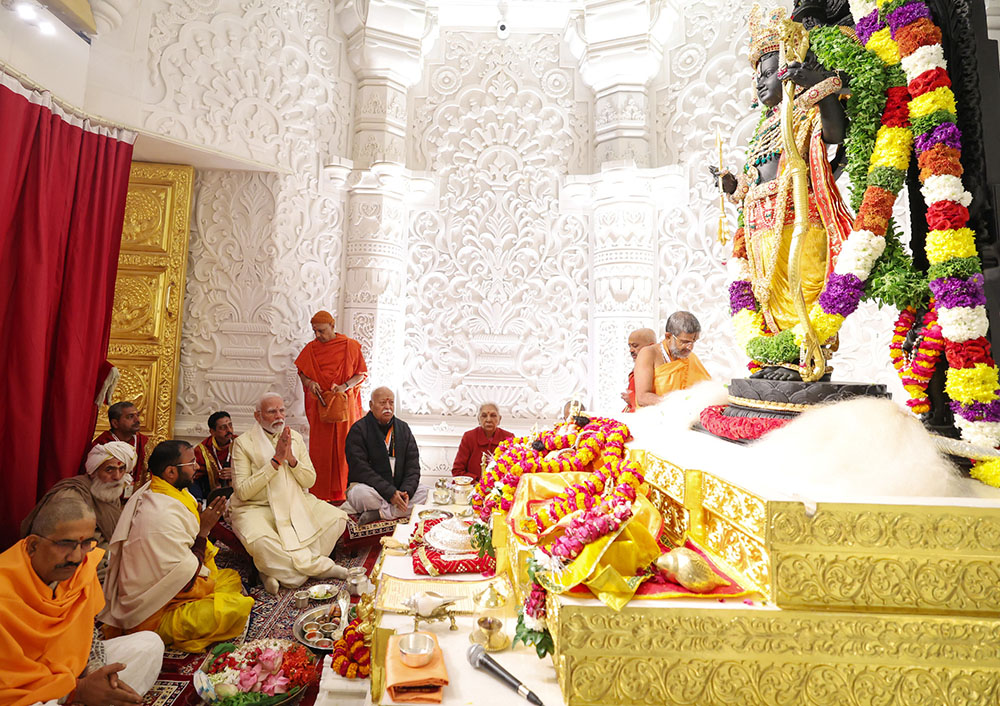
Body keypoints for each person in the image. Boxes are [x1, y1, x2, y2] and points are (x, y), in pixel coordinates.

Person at [710, 4, 852, 380]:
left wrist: (820, 89)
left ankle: (803, 360)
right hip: (759, 227)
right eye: (758, 75)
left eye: (770, 73)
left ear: (789, 72)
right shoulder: (763, 127)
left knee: (799, 290)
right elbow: (751, 180)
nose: (761, 82)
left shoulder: (804, 108)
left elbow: (835, 136)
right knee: (766, 296)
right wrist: (732, 185)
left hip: (798, 219)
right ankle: (774, 359)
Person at [1, 495, 163, 706]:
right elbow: (6, 682)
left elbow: (88, 633)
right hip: (24, 690)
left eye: (86, 543)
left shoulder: (80, 571)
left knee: (148, 645)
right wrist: (75, 692)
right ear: (33, 546)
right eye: (66, 544)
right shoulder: (5, 591)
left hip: (69, 671)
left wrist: (97, 671)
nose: (76, 557)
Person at [100, 440, 254, 652]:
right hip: (152, 610)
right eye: (191, 463)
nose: (197, 467)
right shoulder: (159, 515)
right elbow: (186, 581)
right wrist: (204, 530)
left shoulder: (170, 491)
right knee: (234, 610)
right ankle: (159, 633)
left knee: (230, 578)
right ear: (171, 472)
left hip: (174, 585)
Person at [230, 393, 350, 595]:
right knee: (261, 542)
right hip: (257, 507)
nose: (279, 415)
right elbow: (242, 492)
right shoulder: (243, 443)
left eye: (281, 410)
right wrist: (275, 461)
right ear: (257, 416)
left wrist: (292, 460)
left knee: (337, 518)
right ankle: (320, 568)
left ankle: (271, 572)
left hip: (296, 501)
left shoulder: (294, 437)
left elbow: (310, 480)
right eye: (271, 411)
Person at [20, 442, 138, 583]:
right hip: (71, 571)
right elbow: (62, 548)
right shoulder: (72, 496)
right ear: (94, 471)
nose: (117, 477)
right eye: (109, 470)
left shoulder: (108, 492)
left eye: (122, 469)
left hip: (104, 566)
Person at [295, 310, 368, 503]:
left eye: (321, 331)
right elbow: (302, 372)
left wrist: (344, 387)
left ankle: (346, 495)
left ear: (332, 326)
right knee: (320, 452)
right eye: (315, 331)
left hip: (343, 408)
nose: (318, 335)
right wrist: (310, 383)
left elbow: (360, 374)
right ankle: (320, 498)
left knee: (346, 451)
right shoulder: (311, 349)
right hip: (322, 408)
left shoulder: (350, 346)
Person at [346, 387, 427, 524]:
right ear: (371, 405)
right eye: (383, 403)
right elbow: (361, 470)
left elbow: (413, 467)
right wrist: (390, 493)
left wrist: (405, 493)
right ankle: (396, 511)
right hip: (373, 491)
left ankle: (380, 513)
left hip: (399, 489)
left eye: (391, 403)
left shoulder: (403, 429)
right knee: (360, 494)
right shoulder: (358, 430)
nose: (388, 407)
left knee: (428, 493)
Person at [634, 312, 712, 407]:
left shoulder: (691, 358)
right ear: (668, 336)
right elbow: (643, 397)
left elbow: (707, 390)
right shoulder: (648, 354)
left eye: (693, 342)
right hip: (655, 416)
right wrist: (676, 405)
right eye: (685, 342)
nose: (690, 347)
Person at [451, 403, 514, 480]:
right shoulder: (469, 437)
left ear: (499, 419)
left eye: (493, 415)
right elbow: (457, 471)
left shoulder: (508, 438)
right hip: (473, 487)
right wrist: (478, 482)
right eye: (484, 416)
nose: (488, 420)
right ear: (478, 419)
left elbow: (513, 470)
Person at [89, 402, 149, 481]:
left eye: (137, 415)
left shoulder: (145, 443)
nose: (137, 420)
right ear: (115, 423)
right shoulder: (102, 445)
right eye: (130, 417)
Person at [192, 411, 237, 500]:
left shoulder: (241, 443)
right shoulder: (202, 450)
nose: (229, 430)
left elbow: (254, 469)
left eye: (230, 425)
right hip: (213, 496)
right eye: (223, 428)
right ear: (212, 431)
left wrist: (236, 473)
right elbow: (193, 478)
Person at [621, 328, 656, 412]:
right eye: (630, 346)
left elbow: (656, 395)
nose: (631, 350)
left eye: (635, 346)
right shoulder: (638, 365)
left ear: (650, 346)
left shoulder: (657, 367)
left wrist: (633, 399)